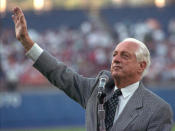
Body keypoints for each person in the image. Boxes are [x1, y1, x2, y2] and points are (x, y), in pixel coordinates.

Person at [12, 7, 173, 131]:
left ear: (141, 66)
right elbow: (60, 73)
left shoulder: (158, 110)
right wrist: (27, 42)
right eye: (115, 54)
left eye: (125, 56)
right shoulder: (96, 90)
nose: (116, 59)